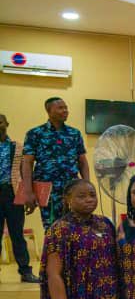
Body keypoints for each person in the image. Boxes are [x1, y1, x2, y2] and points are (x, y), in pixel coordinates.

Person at [21, 97, 90, 230]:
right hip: (47, 192)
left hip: (72, 190)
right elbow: (27, 164)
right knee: (52, 230)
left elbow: (82, 162)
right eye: (60, 108)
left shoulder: (74, 133)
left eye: (66, 108)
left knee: (76, 229)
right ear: (49, 111)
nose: (65, 111)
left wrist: (87, 186)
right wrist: (28, 192)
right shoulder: (35, 133)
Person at [1, 114, 40, 282]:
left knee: (17, 234)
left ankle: (25, 271)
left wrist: (30, 196)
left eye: (0, 122)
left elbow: (26, 173)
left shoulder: (17, 147)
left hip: (13, 193)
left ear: (6, 124)